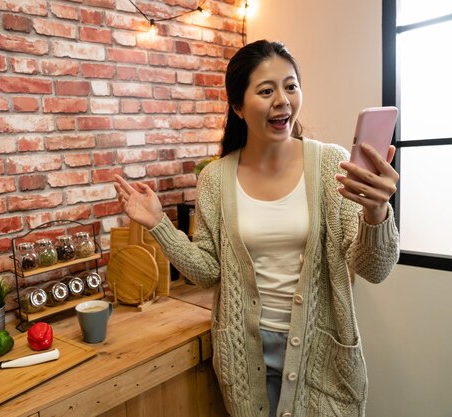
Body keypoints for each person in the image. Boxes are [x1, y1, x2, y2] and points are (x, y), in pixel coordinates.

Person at [114, 40, 399, 417]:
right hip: (245, 359)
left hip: (323, 356)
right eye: (266, 91)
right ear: (237, 106)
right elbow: (208, 272)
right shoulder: (215, 179)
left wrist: (377, 211)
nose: (283, 100)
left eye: (291, 86)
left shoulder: (331, 165)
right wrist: (159, 224)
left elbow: (374, 269)